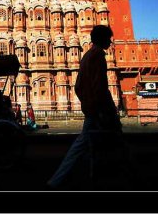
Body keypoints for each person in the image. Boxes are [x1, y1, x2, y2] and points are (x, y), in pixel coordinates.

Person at [47, 25, 123, 189]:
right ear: (102, 39)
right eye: (108, 39)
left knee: (90, 142)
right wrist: (100, 109)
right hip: (98, 109)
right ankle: (57, 181)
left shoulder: (87, 56)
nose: (110, 42)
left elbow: (78, 86)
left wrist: (86, 103)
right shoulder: (97, 57)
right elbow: (99, 87)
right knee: (106, 139)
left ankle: (91, 173)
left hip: (92, 107)